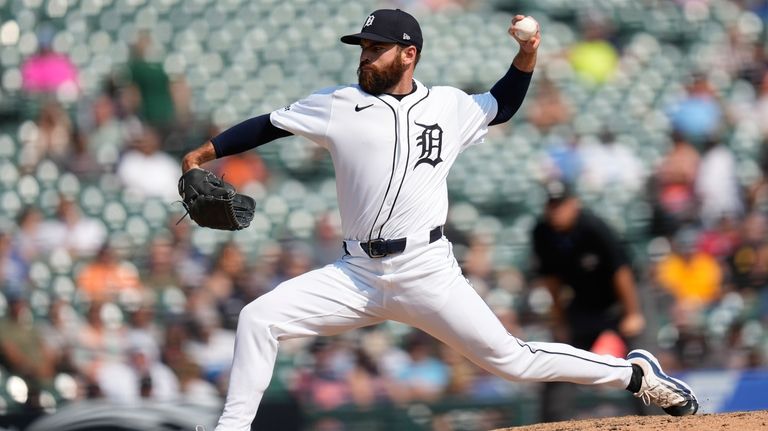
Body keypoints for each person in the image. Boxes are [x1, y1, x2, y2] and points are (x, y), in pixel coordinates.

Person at [180, 10, 698, 430]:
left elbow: (503, 103)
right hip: (356, 274)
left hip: (426, 268)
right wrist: (201, 154)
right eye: (362, 47)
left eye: (375, 47)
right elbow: (267, 126)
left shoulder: (448, 105)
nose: (365, 55)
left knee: (512, 362)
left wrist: (527, 53)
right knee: (257, 318)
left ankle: (635, 375)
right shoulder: (338, 105)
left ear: (409, 53)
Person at [531, 180, 647, 421]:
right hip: (583, 305)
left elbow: (622, 272)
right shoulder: (542, 233)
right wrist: (560, 320)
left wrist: (632, 313)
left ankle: (659, 420)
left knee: (642, 359)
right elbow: (551, 281)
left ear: (574, 204)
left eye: (561, 204)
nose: (556, 210)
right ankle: (553, 423)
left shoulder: (593, 227)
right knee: (558, 357)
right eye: (551, 205)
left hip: (620, 301)